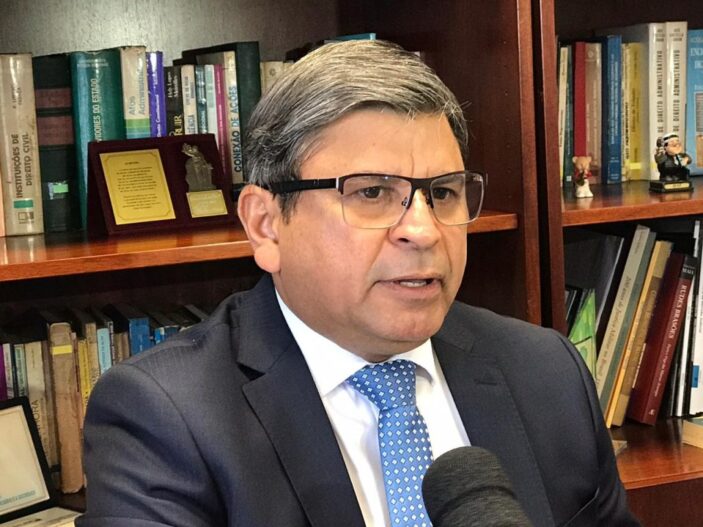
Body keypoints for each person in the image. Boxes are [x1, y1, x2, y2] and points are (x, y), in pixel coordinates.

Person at [78, 40, 639, 527]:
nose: (423, 230)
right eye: (372, 193)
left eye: (443, 193)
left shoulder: (547, 372)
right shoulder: (164, 416)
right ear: (266, 225)